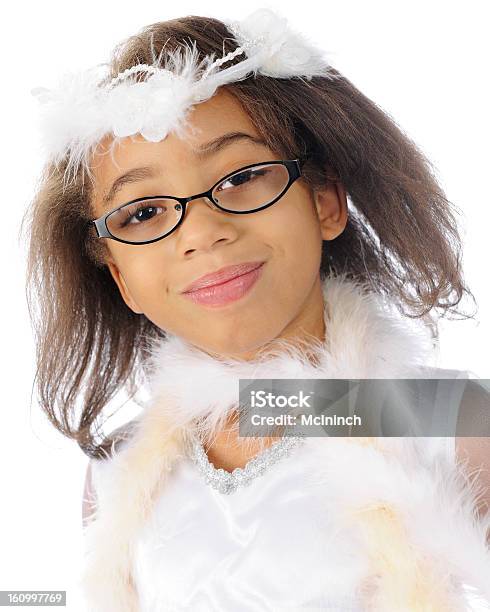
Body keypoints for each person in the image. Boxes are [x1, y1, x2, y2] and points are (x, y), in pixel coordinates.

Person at [25, 7, 490, 611]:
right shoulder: (119, 475)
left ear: (324, 201)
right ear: (122, 279)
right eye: (144, 213)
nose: (201, 233)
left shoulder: (451, 426)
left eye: (242, 175)